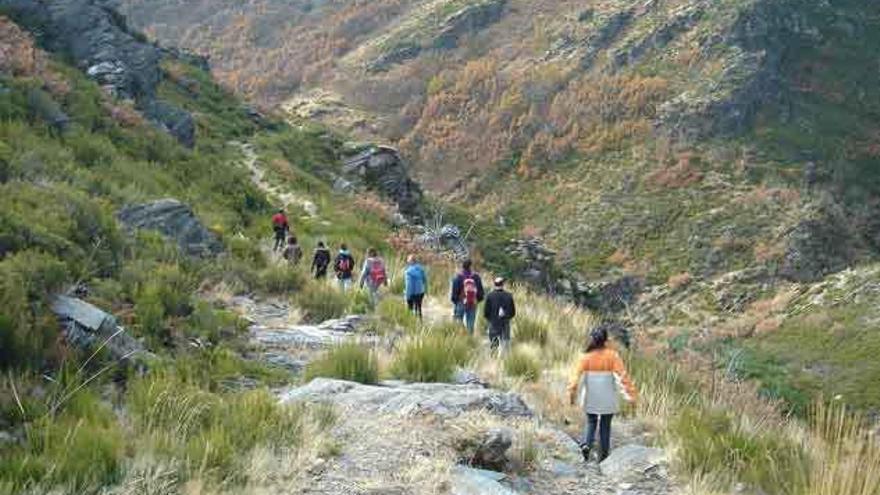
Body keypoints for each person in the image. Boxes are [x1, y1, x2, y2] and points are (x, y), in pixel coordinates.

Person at [566, 327, 637, 463]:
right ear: (605, 340)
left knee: (591, 421)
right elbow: (623, 377)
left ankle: (587, 444)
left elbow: (574, 380)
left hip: (591, 396)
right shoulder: (613, 356)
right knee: (605, 424)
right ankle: (603, 455)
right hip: (608, 397)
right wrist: (631, 395)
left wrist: (572, 395)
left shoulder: (585, 357)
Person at [450, 259, 484, 334]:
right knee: (470, 322)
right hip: (473, 303)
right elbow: (481, 292)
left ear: (463, 266)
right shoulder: (476, 277)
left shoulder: (458, 277)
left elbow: (454, 292)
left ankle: (461, 337)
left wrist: (456, 302)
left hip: (461, 302)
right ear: (470, 266)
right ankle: (469, 338)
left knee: (458, 321)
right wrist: (477, 300)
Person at [483, 277, 516, 352]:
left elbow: (486, 312)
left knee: (494, 341)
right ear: (502, 284)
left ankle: (494, 357)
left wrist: (489, 319)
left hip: (493, 322)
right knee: (505, 342)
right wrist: (508, 317)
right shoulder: (509, 295)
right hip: (505, 322)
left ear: (495, 285)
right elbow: (513, 312)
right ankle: (505, 359)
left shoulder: (490, 296)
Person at [404, 254, 428, 321]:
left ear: (411, 261)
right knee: (418, 308)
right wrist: (425, 290)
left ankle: (411, 323)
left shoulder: (408, 272)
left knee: (410, 310)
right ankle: (420, 321)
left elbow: (409, 285)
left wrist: (407, 295)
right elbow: (425, 280)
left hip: (412, 293)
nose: (407, 261)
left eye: (408, 260)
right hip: (420, 292)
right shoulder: (421, 269)